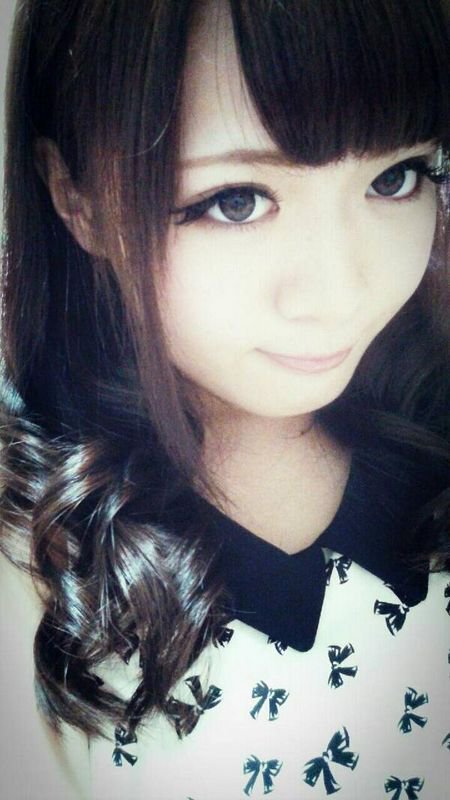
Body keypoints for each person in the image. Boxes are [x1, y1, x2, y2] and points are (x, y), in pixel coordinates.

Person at [0, 0, 449, 798]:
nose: (342, 293)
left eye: (395, 177)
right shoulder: (32, 547)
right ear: (77, 199)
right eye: (236, 200)